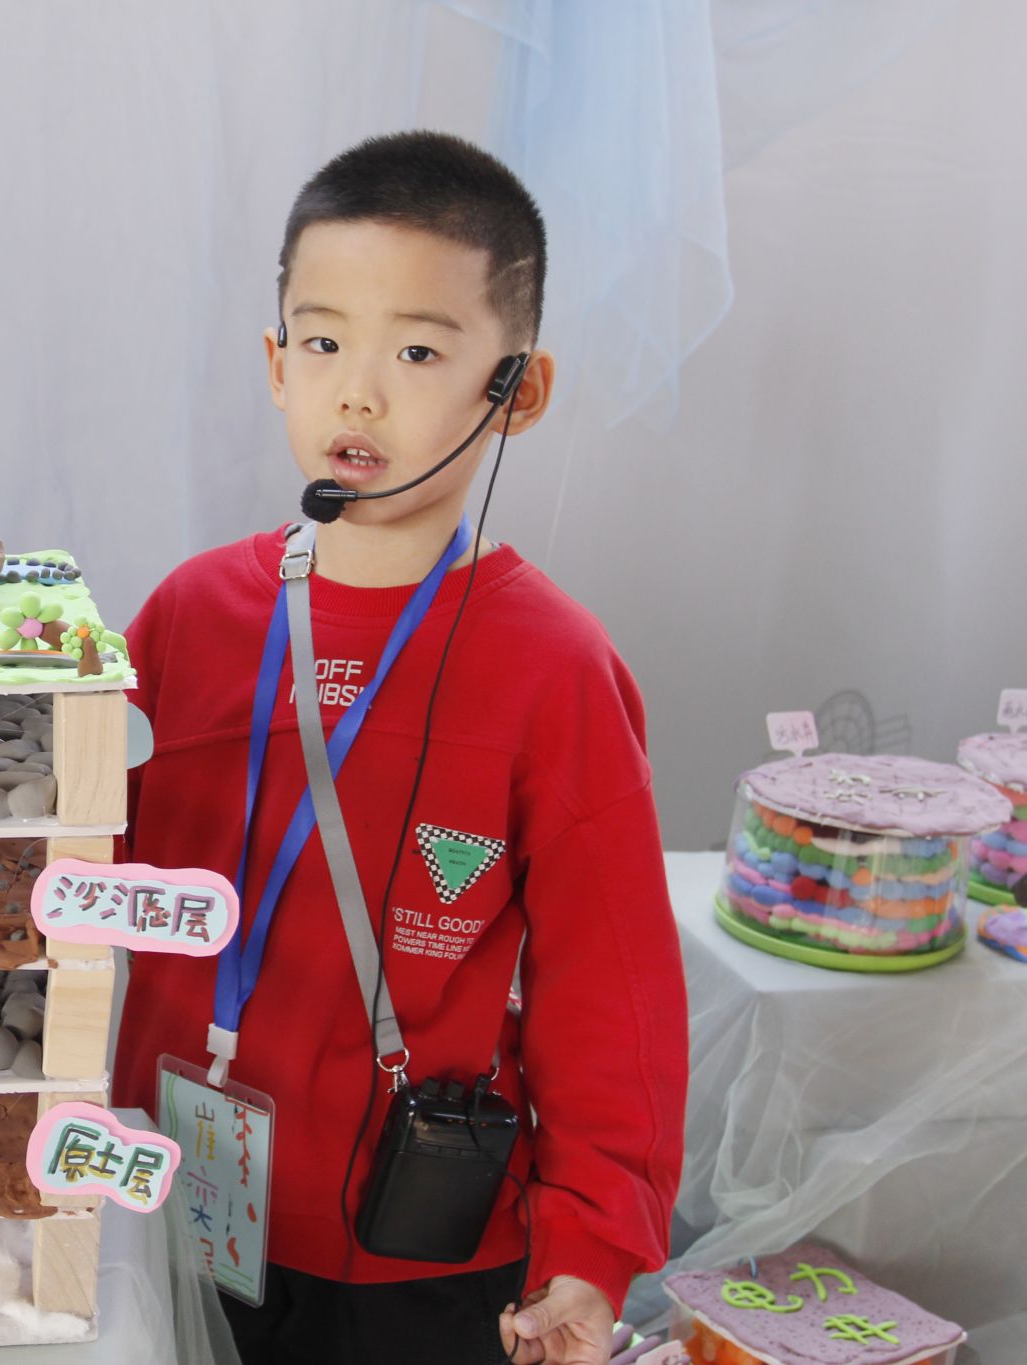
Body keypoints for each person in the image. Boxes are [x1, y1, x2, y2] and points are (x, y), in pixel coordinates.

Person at [110, 130, 688, 1365]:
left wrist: (589, 1249)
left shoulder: (554, 668)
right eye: (321, 343)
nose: (357, 393)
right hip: (163, 1188)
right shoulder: (186, 617)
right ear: (275, 364)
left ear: (514, 390)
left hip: (415, 1245)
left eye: (418, 351)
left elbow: (611, 994)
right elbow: (65, 870)